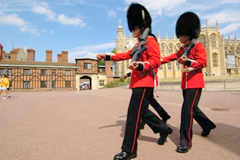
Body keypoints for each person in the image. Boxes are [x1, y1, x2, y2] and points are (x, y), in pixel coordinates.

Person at [97, 3, 172, 160]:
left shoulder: (150, 41)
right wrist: (107, 56)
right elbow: (125, 55)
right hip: (138, 83)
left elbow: (156, 61)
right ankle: (163, 129)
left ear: (141, 27)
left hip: (145, 83)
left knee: (133, 116)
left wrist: (140, 65)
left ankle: (129, 150)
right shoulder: (140, 43)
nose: (132, 31)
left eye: (134, 28)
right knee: (142, 113)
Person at [161, 12, 216, 153]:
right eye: (179, 34)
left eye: (182, 34)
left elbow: (203, 62)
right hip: (185, 84)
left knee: (186, 111)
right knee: (193, 109)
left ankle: (185, 142)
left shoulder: (198, 47)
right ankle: (207, 125)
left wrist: (188, 62)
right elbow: (173, 56)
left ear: (190, 34)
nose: (180, 37)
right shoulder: (184, 49)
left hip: (195, 83)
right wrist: (158, 61)